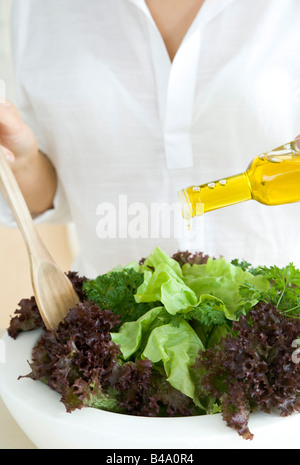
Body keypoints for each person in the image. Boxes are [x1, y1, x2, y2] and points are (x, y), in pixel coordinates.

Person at [0, 0, 300, 277]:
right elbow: (60, 189)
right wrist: (21, 161)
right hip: (117, 324)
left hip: (285, 313)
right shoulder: (38, 7)